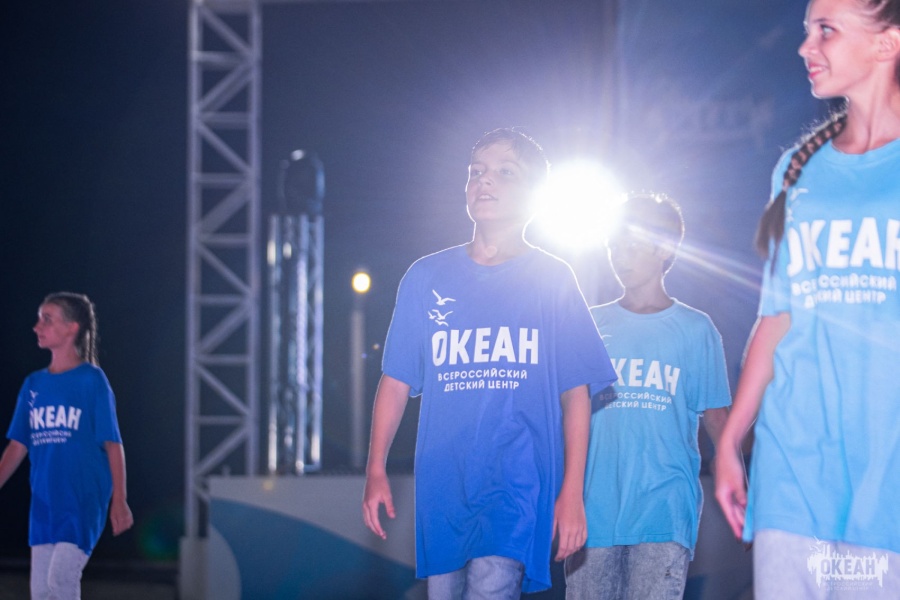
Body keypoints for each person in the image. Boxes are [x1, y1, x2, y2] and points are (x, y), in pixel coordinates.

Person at [362, 128, 617, 597]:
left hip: (517, 484)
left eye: (505, 172)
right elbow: (396, 381)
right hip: (444, 489)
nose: (485, 180)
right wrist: (376, 466)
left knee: (493, 585)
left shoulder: (553, 279)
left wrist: (572, 493)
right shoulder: (425, 277)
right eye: (476, 171)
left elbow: (576, 393)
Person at [715, 0, 900, 597]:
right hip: (793, 474)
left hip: (887, 485)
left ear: (887, 43)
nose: (805, 47)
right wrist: (731, 440)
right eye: (805, 31)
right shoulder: (798, 170)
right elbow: (776, 318)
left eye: (826, 30)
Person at [564, 193, 731, 600]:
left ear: (664, 248)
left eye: (631, 244)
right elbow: (566, 414)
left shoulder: (696, 329)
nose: (619, 255)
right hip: (594, 511)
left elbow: (717, 420)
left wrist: (742, 491)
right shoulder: (590, 323)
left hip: (664, 511)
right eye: (614, 245)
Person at [0, 292, 133, 600]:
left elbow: (113, 443)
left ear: (72, 327)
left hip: (81, 499)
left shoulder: (91, 380)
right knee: (41, 591)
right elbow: (17, 447)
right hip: (44, 503)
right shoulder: (33, 385)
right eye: (38, 319)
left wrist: (120, 499)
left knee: (60, 581)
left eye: (47, 319)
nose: (37, 326)